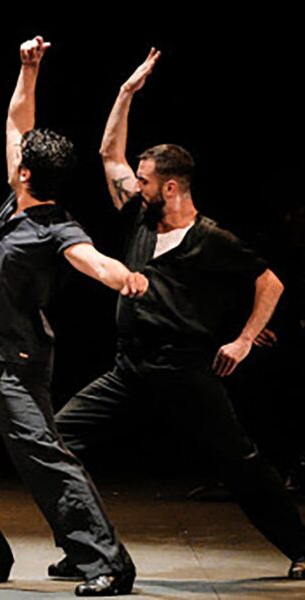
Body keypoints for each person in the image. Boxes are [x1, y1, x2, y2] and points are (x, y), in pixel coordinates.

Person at [54, 48, 305, 580]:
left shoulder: (211, 239)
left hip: (184, 371)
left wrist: (242, 340)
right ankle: (87, 547)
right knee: (58, 438)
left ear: (170, 186)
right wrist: (125, 94)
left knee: (239, 464)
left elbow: (271, 283)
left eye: (144, 182)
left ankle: (301, 546)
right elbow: (108, 155)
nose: (134, 187)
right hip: (129, 368)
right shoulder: (141, 222)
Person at [0, 37, 142, 597]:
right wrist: (30, 68)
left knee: (45, 460)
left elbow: (93, 261)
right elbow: (17, 120)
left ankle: (107, 562)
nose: (13, 155)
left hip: (15, 364)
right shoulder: (13, 203)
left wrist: (124, 277)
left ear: (26, 174)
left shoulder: (53, 226)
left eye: (19, 159)